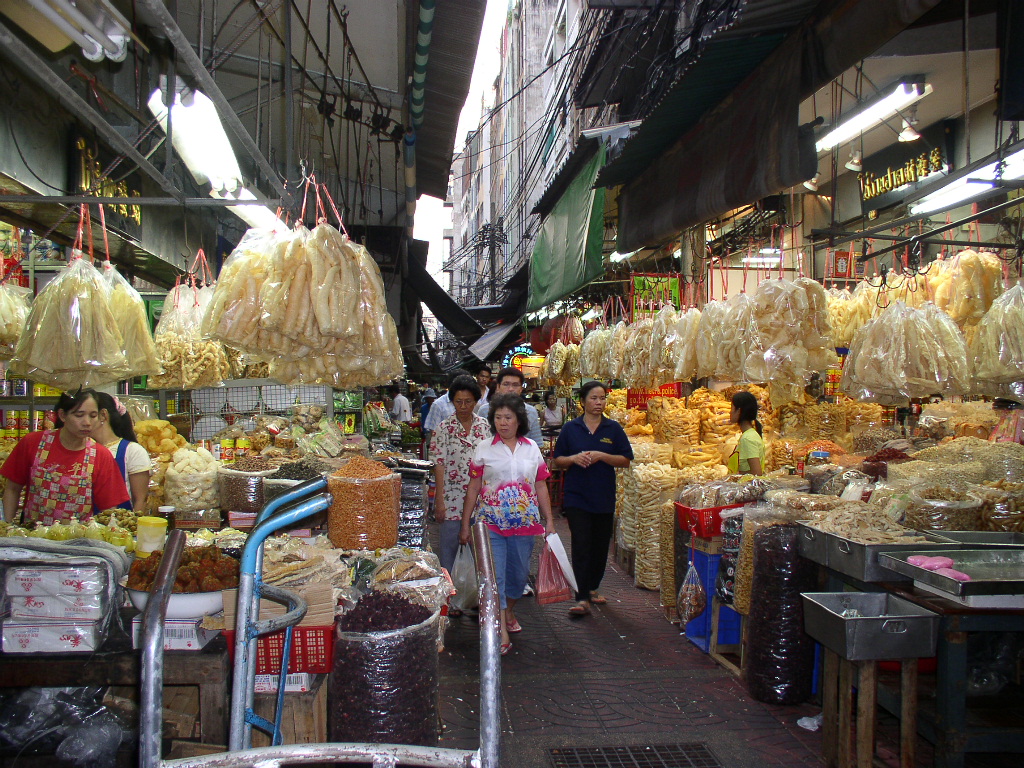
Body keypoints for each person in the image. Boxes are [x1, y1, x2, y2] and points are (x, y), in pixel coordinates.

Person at [461, 393, 554, 655]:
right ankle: (500, 627)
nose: (503, 423)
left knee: (519, 575)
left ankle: (509, 610)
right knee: (496, 577)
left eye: (508, 418)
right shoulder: (483, 448)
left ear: (518, 421)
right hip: (490, 523)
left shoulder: (531, 449)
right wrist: (465, 525)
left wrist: (550, 521)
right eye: (498, 418)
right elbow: (474, 487)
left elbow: (540, 485)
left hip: (525, 525)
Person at [552, 381, 633, 616]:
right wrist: (574, 458)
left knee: (599, 547)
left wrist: (602, 456)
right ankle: (582, 597)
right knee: (581, 544)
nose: (599, 403)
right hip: (577, 496)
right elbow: (558, 460)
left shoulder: (613, 429)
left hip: (603, 495)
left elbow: (626, 460)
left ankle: (593, 586)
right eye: (594, 398)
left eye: (602, 399)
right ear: (583, 401)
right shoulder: (571, 429)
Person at [1, 388, 130, 525]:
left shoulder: (101, 455)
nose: (87, 422)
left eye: (93, 416)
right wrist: (8, 526)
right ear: (62, 416)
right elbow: (12, 489)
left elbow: (108, 508)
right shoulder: (33, 443)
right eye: (79, 415)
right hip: (32, 539)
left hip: (78, 541)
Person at [429, 376, 491, 611]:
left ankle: (478, 599)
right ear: (452, 402)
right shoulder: (444, 429)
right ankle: (450, 601)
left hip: (481, 500)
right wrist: (439, 500)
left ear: (476, 401)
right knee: (449, 550)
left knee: (480, 550)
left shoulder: (485, 427)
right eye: (458, 402)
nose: (463, 407)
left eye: (468, 402)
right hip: (453, 497)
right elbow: (439, 465)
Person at [92, 392, 151, 511]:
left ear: (103, 415)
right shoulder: (83, 450)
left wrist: (131, 525)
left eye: (89, 414)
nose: (83, 420)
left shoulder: (132, 451)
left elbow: (140, 500)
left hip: (118, 525)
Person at [478, 367, 543, 444]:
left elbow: (537, 443)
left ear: (521, 389)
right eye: (506, 384)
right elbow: (479, 441)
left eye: (515, 385)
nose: (511, 389)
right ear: (498, 387)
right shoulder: (484, 411)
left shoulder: (531, 411)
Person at [727, 391, 765, 476]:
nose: (730, 412)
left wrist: (735, 476)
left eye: (732, 408)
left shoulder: (748, 438)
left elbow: (756, 473)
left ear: (739, 411)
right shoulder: (749, 435)